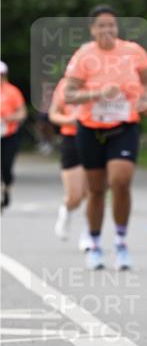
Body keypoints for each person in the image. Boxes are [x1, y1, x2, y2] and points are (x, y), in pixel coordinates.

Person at [64, 6, 147, 270]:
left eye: (111, 25)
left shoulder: (133, 52)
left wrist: (146, 98)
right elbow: (69, 93)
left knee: (121, 181)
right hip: (90, 127)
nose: (107, 30)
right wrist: (97, 94)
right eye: (101, 26)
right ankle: (93, 242)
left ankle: (121, 242)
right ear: (92, 29)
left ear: (117, 27)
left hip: (124, 126)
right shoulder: (84, 55)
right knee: (96, 190)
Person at [48, 77, 89, 248]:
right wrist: (70, 120)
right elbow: (53, 114)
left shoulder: (100, 82)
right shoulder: (65, 84)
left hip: (95, 138)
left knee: (93, 192)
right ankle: (66, 211)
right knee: (75, 196)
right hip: (71, 139)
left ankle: (89, 234)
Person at [0, 60, 27, 210]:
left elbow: (22, 112)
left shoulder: (12, 91)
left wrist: (12, 118)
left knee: (6, 166)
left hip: (9, 133)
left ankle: (7, 188)